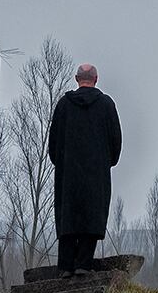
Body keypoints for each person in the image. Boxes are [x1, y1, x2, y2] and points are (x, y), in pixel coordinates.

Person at [47, 62, 122, 276]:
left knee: (68, 215)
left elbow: (53, 143)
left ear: (76, 79)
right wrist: (107, 161)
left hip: (68, 173)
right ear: (96, 79)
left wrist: (61, 162)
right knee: (92, 215)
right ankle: (83, 264)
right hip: (96, 173)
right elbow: (116, 140)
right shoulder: (107, 105)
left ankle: (65, 266)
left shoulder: (63, 105)